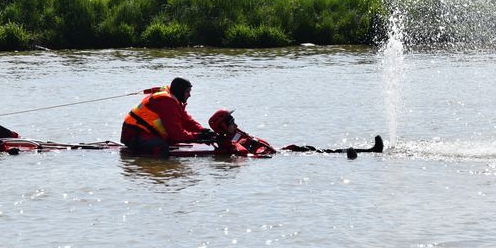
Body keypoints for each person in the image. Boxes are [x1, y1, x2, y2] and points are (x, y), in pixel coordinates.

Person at [208, 109, 383, 159]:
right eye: (231, 122)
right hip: (276, 157)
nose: (235, 124)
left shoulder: (235, 134)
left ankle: (368, 151)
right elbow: (243, 153)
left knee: (309, 148)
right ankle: (352, 154)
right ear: (223, 126)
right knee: (316, 154)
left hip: (279, 151)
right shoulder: (227, 142)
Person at [121, 77, 216, 157]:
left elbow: (186, 121)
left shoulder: (173, 99)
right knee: (161, 147)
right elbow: (177, 135)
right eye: (187, 92)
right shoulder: (167, 102)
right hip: (133, 134)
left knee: (170, 142)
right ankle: (161, 168)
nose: (189, 95)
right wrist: (198, 137)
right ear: (180, 91)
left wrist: (203, 131)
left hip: (141, 133)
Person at [207, 109, 277, 157]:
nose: (236, 125)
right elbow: (243, 152)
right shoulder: (224, 142)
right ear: (223, 127)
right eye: (232, 123)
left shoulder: (235, 132)